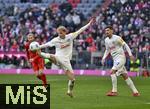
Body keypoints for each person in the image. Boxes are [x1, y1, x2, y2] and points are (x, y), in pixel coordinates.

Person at [37, 18, 95, 97]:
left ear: (65, 32)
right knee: (52, 56)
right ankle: (41, 54)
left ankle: (69, 91)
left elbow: (81, 30)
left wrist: (89, 24)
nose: (59, 35)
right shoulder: (55, 40)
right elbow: (47, 44)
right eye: (58, 33)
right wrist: (38, 47)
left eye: (61, 33)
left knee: (72, 79)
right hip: (58, 58)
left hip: (66, 61)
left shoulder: (70, 37)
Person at [102, 26, 140, 96]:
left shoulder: (117, 38)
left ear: (112, 31)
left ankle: (114, 91)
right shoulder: (106, 40)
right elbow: (107, 50)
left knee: (112, 72)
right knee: (125, 75)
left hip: (121, 58)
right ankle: (136, 92)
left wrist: (130, 55)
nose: (106, 32)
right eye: (106, 31)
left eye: (108, 30)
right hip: (115, 60)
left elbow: (125, 45)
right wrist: (104, 58)